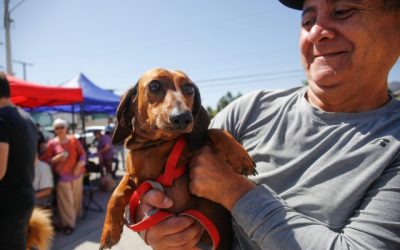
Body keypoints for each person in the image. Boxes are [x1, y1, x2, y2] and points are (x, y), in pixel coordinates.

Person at [137, 0, 400, 249]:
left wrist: (234, 191)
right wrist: (145, 216)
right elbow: (154, 173)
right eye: (308, 20)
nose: (316, 32)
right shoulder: (249, 110)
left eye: (342, 11)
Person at [0, 72, 38, 249]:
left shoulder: (2, 119)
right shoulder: (27, 118)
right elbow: (34, 161)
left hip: (7, 203)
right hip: (24, 198)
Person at [41, 118, 86, 235]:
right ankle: (68, 224)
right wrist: (56, 159)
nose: (60, 129)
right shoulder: (52, 143)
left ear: (66, 128)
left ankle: (75, 217)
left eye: (62, 127)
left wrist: (78, 165)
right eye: (57, 127)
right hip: (62, 176)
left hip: (76, 174)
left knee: (76, 199)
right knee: (66, 202)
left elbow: (83, 154)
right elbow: (45, 160)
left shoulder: (73, 140)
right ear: (54, 130)